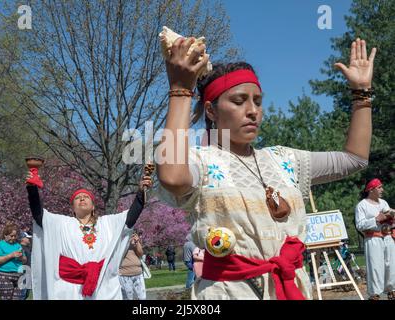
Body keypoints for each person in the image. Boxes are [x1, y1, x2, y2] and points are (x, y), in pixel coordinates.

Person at [157, 37, 376, 300]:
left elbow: (355, 158)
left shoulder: (284, 159)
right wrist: (181, 90)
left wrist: (361, 94)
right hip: (228, 292)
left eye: (258, 101)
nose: (253, 111)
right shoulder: (201, 161)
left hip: (291, 288)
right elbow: (171, 176)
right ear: (211, 111)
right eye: (239, 101)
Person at [26, 171, 152, 300]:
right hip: (69, 290)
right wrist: (32, 189)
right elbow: (39, 216)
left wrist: (140, 193)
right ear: (73, 208)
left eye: (85, 197)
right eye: (77, 198)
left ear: (93, 206)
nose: (81, 198)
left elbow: (130, 218)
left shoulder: (107, 223)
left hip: (103, 288)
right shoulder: (62, 223)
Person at [355, 178, 395, 300]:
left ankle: (392, 290)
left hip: (387, 237)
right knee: (375, 267)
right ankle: (374, 294)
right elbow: (359, 225)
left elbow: (389, 217)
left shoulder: (383, 203)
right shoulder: (362, 205)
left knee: (391, 265)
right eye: (379, 187)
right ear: (371, 190)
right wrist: (376, 219)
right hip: (373, 238)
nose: (382, 190)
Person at [0, 223, 27, 300]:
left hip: (18, 275)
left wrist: (21, 257)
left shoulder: (18, 245)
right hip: (3, 276)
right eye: (11, 236)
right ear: (5, 235)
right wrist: (10, 255)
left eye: (15, 236)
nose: (13, 238)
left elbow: (24, 260)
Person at [119, 232, 146, 300]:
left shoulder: (134, 238)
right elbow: (119, 255)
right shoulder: (118, 238)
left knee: (142, 297)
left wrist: (137, 242)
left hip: (138, 272)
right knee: (128, 298)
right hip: (124, 273)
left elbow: (140, 254)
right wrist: (126, 242)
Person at [18, 231, 32, 300]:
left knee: (26, 293)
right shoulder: (19, 247)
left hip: (28, 271)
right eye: (27, 238)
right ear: (22, 239)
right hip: (23, 271)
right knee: (22, 293)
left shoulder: (27, 248)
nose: (29, 239)